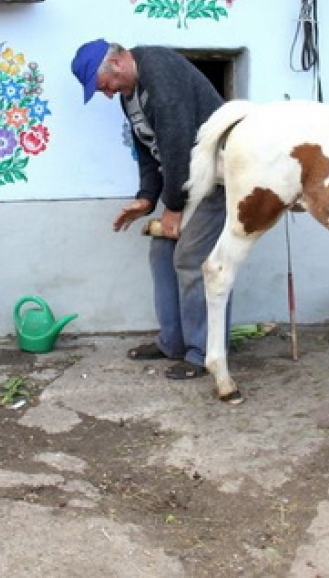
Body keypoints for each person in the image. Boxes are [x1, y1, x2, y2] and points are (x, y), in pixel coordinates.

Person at [70, 39, 229, 380]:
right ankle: (172, 342)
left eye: (106, 86)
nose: (109, 94)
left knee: (191, 260)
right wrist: (146, 197)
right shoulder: (130, 94)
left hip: (215, 181)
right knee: (161, 253)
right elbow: (147, 149)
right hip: (188, 184)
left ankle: (204, 353)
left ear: (116, 63)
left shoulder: (158, 69)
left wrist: (172, 207)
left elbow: (176, 140)